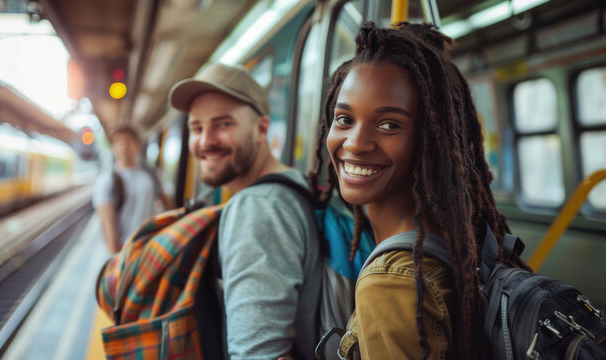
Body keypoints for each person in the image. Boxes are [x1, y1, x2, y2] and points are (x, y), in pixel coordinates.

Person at [309, 23, 530, 359]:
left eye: (389, 125)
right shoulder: (461, 238)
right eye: (344, 119)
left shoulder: (391, 281)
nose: (355, 143)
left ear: (429, 140)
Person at [168, 63, 322, 359]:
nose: (205, 141)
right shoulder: (294, 185)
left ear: (261, 129)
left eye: (224, 124)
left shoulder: (257, 208)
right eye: (196, 128)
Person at [92, 124, 169, 254]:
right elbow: (107, 223)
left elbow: (167, 205)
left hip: (150, 247)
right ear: (113, 148)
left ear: (138, 145)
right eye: (118, 142)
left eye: (129, 141)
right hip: (125, 251)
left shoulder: (150, 176)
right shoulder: (107, 180)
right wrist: (116, 257)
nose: (124, 146)